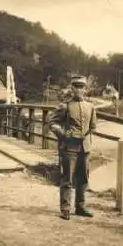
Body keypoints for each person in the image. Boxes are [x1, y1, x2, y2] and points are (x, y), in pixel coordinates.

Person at [47, 75, 97, 220]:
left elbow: (93, 127)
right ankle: (66, 209)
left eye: (82, 87)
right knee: (67, 178)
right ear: (72, 88)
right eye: (76, 87)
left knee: (83, 178)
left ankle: (80, 207)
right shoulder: (65, 106)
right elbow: (51, 122)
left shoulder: (90, 106)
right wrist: (64, 134)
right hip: (69, 148)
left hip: (85, 148)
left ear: (85, 89)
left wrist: (86, 136)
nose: (79, 90)